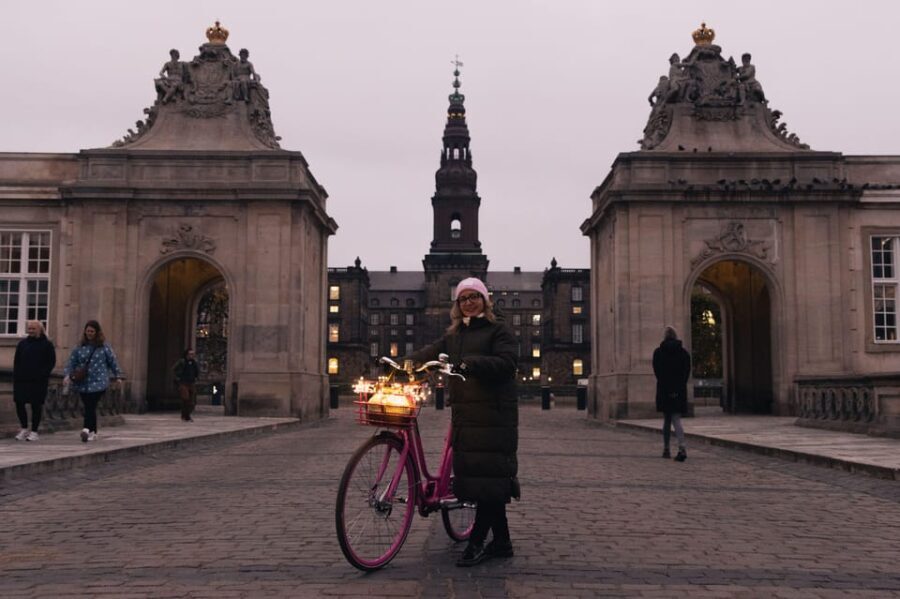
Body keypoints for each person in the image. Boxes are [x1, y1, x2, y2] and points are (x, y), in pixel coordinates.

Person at [406, 277, 519, 567]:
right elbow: (431, 350)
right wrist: (405, 363)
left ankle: (478, 541)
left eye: (474, 297)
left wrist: (472, 363)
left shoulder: (498, 330)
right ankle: (502, 542)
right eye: (463, 298)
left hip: (493, 416)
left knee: (487, 479)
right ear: (458, 304)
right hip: (467, 416)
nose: (469, 302)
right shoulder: (455, 334)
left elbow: (507, 363)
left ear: (485, 300)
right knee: (484, 479)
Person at [64, 320, 124, 442]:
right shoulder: (80, 347)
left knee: (90, 405)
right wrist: (67, 375)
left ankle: (86, 429)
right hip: (83, 382)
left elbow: (112, 361)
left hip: (99, 381)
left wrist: (118, 375)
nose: (89, 333)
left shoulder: (104, 347)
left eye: (92, 331)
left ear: (97, 332)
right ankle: (93, 432)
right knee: (88, 406)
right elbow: (72, 361)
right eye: (88, 331)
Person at [652, 326, 691, 462]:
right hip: (679, 390)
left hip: (664, 389)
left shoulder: (658, 353)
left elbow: (658, 373)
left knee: (667, 420)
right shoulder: (684, 353)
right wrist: (678, 388)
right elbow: (686, 373)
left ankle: (666, 448)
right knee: (676, 419)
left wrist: (667, 388)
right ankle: (682, 447)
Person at [12, 320, 56, 441]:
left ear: (40, 330)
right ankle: (24, 428)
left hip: (38, 380)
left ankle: (34, 430)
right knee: (19, 403)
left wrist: (42, 374)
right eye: (29, 329)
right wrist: (17, 375)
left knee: (36, 405)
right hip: (22, 379)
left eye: (33, 329)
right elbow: (17, 361)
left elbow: (51, 362)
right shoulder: (22, 344)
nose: (30, 331)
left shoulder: (47, 344)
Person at [172, 348, 200, 422]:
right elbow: (174, 369)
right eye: (191, 354)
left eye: (193, 354)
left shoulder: (194, 362)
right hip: (183, 382)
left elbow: (197, 371)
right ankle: (186, 416)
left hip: (191, 382)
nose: (192, 355)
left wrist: (196, 377)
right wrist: (178, 377)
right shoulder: (182, 361)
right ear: (187, 354)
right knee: (185, 399)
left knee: (191, 401)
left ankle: (186, 415)